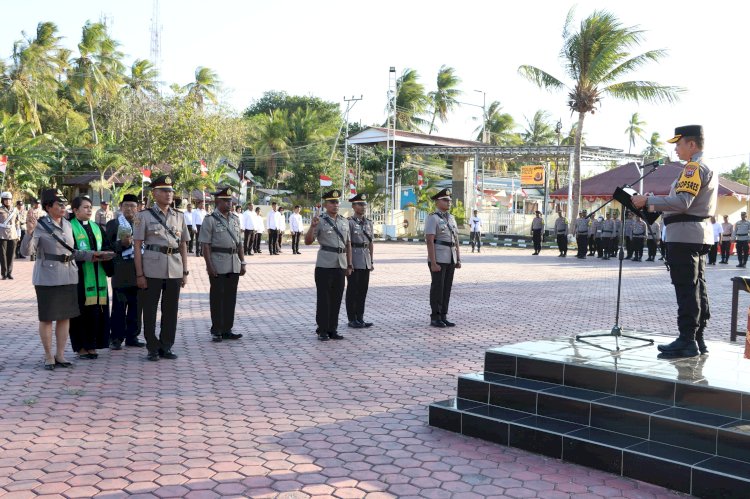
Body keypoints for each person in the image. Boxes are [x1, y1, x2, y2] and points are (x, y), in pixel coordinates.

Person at [633, 124, 717, 358]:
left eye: (679, 145)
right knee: (696, 287)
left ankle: (687, 340)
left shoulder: (693, 168)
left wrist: (648, 200)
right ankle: (698, 338)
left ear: (692, 144)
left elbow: (682, 202)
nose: (676, 150)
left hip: (684, 235)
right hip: (696, 234)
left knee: (686, 288)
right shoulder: (701, 167)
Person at [21, 189, 109, 370]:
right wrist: (29, 233)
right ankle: (48, 356)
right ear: (48, 207)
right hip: (47, 277)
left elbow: (72, 252)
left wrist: (94, 255)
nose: (63, 207)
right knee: (47, 318)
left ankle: (60, 355)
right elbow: (26, 252)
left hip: (69, 276)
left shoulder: (68, 225)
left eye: (64, 204)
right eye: (59, 205)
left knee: (65, 317)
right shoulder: (40, 225)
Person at [133, 176, 190, 361]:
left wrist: (185, 271)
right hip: (152, 269)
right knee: (149, 309)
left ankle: (166, 345)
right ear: (155, 193)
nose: (169, 194)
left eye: (171, 191)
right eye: (165, 191)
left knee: (171, 309)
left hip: (174, 267)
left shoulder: (179, 216)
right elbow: (137, 246)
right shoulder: (143, 216)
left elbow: (183, 245)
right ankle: (152, 346)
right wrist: (139, 274)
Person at [199, 186, 246, 342]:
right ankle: (217, 329)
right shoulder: (210, 219)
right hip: (218, 262)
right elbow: (205, 245)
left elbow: (239, 243)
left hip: (234, 262)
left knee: (230, 297)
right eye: (226, 201)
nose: (229, 204)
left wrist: (243, 262)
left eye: (230, 201)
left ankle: (227, 328)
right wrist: (209, 265)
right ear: (217, 202)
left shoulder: (235, 219)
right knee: (217, 297)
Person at [68, 196, 113, 359]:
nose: (89, 210)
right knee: (80, 312)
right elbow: (68, 251)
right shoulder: (69, 227)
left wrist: (107, 254)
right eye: (85, 207)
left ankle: (93, 345)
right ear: (75, 210)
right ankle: (81, 346)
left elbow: (106, 245)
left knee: (96, 312)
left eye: (89, 207)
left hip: (97, 274)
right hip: (80, 276)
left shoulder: (97, 227)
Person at [304, 190, 352, 341]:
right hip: (324, 265)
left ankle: (333, 329)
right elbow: (308, 241)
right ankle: (322, 330)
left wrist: (349, 264)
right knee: (324, 299)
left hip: (340, 264)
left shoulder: (344, 221)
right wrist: (312, 227)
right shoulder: (320, 220)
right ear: (325, 205)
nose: (335, 205)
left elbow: (348, 244)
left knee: (337, 298)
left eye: (337, 202)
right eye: (332, 202)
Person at [104, 194, 145, 350]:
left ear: (138, 208)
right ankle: (116, 337)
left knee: (137, 305)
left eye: (133, 206)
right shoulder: (113, 224)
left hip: (139, 269)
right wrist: (121, 243)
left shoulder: (141, 223)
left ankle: (132, 336)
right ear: (121, 207)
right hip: (121, 268)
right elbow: (107, 247)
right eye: (126, 205)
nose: (129, 209)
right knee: (119, 306)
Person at [424, 188, 461, 327]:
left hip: (450, 257)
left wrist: (458, 258)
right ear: (437, 202)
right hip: (438, 257)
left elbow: (456, 239)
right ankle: (435, 316)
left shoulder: (451, 218)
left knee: (447, 288)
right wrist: (433, 262)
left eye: (449, 200)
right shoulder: (432, 218)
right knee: (437, 288)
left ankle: (443, 315)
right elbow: (430, 240)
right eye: (445, 200)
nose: (449, 202)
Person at [346, 194, 374, 328]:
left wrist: (371, 261)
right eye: (360, 204)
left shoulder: (368, 222)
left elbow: (370, 243)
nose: (363, 207)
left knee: (363, 290)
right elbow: (347, 244)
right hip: (354, 259)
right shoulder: (349, 222)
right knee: (353, 290)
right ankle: (352, 318)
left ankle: (360, 317)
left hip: (365, 259)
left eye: (364, 204)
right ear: (353, 206)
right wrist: (349, 263)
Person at [0, 192, 19, 279]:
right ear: (2, 200)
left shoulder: (15, 210)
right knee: (3, 255)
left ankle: (9, 273)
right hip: (2, 234)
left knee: (11, 254)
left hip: (12, 234)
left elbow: (17, 222)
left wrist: (18, 234)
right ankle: (4, 273)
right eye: (5, 199)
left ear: (11, 200)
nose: (7, 201)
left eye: (9, 199)